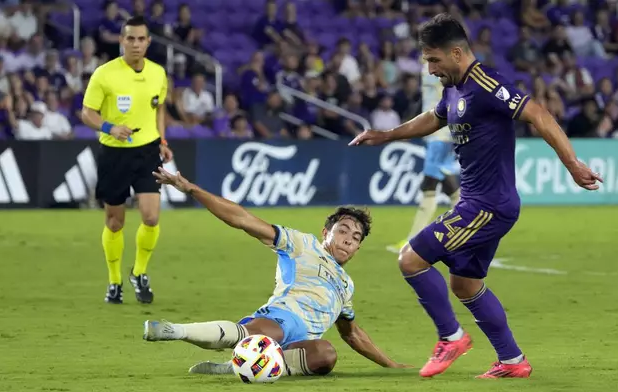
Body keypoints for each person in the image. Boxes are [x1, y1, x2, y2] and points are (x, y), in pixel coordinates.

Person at [349, 13, 602, 379]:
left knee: (410, 259)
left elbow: (540, 115)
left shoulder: (485, 83)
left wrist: (573, 164)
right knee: (465, 284)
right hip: (478, 202)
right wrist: (386, 134)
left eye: (434, 60)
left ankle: (450, 337)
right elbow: (433, 119)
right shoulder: (453, 88)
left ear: (455, 53)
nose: (431, 69)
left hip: (488, 205)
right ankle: (513, 361)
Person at [143, 167, 409, 376]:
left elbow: (351, 333)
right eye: (343, 230)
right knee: (269, 335)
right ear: (326, 233)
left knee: (326, 355)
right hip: (280, 319)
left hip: (301, 344)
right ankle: (175, 330)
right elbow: (243, 219)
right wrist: (190, 189)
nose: (349, 239)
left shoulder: (346, 286)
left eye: (356, 237)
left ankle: (242, 364)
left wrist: (390, 364)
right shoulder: (301, 244)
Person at [81, 16, 173, 305]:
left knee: (151, 216)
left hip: (147, 151)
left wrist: (162, 140)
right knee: (115, 222)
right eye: (129, 38)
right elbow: (87, 113)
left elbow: (159, 109)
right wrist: (110, 128)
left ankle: (139, 272)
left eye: (140, 39)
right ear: (121, 41)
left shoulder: (158, 73)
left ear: (148, 42)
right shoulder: (104, 74)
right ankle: (114, 281)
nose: (135, 44)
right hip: (114, 153)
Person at [386, 72, 460, 254]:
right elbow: (425, 103)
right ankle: (470, 232)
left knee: (429, 186)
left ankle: (413, 240)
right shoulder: (433, 75)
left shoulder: (447, 76)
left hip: (441, 137)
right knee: (447, 187)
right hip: (437, 136)